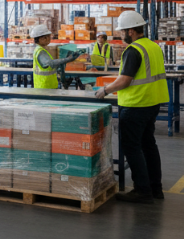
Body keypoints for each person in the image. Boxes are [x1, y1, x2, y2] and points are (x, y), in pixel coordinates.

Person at [95, 11, 168, 204]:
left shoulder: (134, 50)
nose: (121, 35)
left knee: (132, 148)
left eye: (122, 31)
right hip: (152, 103)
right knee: (148, 145)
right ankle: (155, 188)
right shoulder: (153, 46)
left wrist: (105, 90)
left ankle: (142, 191)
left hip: (136, 104)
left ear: (132, 31)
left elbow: (125, 80)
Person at [29, 25, 81, 89]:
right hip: (45, 87)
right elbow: (51, 63)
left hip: (47, 86)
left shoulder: (41, 49)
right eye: (47, 37)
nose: (49, 39)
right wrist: (68, 59)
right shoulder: (40, 52)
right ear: (41, 39)